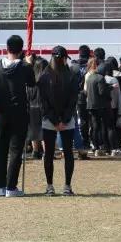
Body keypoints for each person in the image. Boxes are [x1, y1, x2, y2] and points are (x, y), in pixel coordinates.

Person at [0, 35, 36, 197]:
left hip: (1, 112)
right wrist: (29, 64)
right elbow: (32, 84)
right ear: (21, 49)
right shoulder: (25, 67)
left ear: (7, 47)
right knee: (16, 150)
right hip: (19, 112)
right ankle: (11, 187)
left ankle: (1, 186)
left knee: (1, 149)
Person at [38, 46, 78, 196]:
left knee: (49, 153)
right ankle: (67, 186)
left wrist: (55, 120)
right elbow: (73, 100)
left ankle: (50, 186)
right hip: (66, 120)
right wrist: (64, 119)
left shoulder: (44, 76)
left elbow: (44, 102)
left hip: (49, 120)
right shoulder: (71, 75)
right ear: (64, 58)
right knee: (68, 152)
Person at [85, 58, 113, 157]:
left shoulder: (89, 78)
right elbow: (102, 92)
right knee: (104, 126)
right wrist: (110, 88)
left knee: (95, 127)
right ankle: (106, 148)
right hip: (101, 105)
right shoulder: (100, 78)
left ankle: (95, 147)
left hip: (91, 105)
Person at [70, 45, 91, 159]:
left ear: (79, 53)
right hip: (90, 96)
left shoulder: (73, 66)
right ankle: (89, 141)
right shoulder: (91, 65)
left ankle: (81, 140)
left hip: (77, 95)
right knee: (90, 119)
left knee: (80, 119)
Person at [26, 54, 47, 159]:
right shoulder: (46, 81)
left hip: (32, 107)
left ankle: (35, 151)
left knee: (33, 131)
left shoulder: (30, 82)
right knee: (45, 131)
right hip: (43, 107)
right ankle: (46, 152)